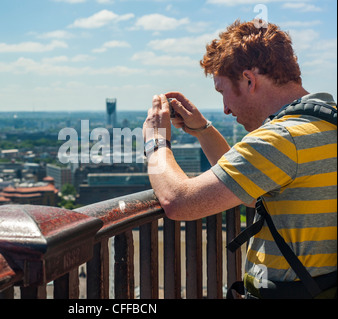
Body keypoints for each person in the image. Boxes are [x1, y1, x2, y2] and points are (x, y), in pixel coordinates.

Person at [142, 20, 337, 298]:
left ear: (249, 79)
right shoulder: (325, 123)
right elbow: (247, 188)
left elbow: (179, 202)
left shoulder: (281, 140)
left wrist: (156, 142)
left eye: (223, 91)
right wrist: (201, 130)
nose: (225, 109)